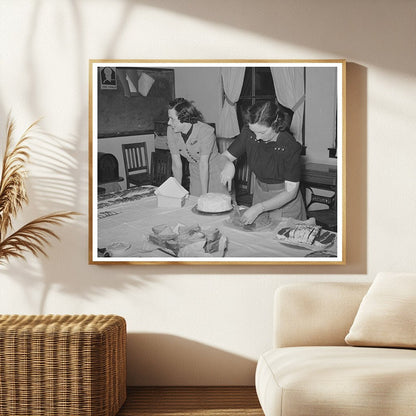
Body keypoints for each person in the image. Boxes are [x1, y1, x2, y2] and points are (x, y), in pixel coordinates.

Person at [220, 101, 306, 225]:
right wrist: (228, 164)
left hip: (284, 202)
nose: (257, 137)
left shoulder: (289, 146)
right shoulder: (250, 133)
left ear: (276, 124)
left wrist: (259, 208)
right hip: (260, 195)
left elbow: (290, 193)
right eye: (254, 131)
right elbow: (225, 157)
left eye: (262, 132)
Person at [167, 98, 228, 196]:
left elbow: (204, 164)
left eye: (172, 119)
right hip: (195, 171)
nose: (169, 123)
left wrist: (204, 195)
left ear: (184, 118)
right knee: (195, 203)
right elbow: (176, 164)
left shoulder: (206, 131)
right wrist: (177, 193)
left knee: (218, 205)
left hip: (214, 171)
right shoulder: (171, 130)